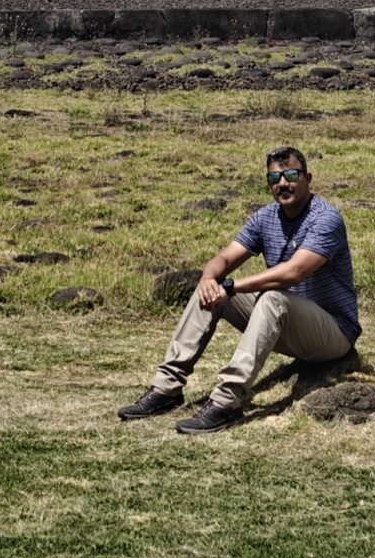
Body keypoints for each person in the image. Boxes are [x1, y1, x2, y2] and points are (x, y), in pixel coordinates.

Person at [118, 146, 360, 434]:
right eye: (275, 178)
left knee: (271, 296)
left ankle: (226, 402)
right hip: (288, 323)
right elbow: (224, 258)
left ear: (308, 177)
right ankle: (166, 388)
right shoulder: (266, 218)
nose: (283, 183)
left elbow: (294, 272)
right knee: (208, 289)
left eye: (291, 175)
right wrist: (209, 278)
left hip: (333, 333)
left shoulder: (325, 219)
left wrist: (231, 286)